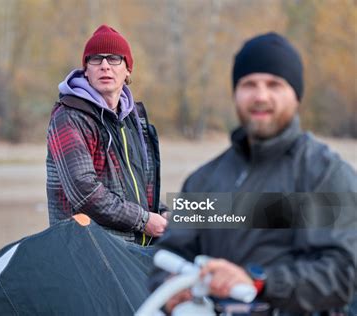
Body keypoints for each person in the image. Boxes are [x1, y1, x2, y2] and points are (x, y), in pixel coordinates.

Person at [149, 32, 357, 314]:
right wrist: (171, 288)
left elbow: (340, 275)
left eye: (274, 84)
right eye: (249, 84)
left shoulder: (325, 174)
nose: (260, 96)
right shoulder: (203, 180)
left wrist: (258, 281)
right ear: (235, 92)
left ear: (296, 95)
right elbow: (169, 253)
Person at [46, 24, 169, 247]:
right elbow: (84, 191)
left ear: (128, 69)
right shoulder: (70, 116)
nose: (104, 66)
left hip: (131, 252)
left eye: (114, 59)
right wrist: (144, 220)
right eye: (95, 59)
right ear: (86, 70)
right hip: (84, 251)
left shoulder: (133, 119)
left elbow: (136, 189)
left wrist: (163, 214)